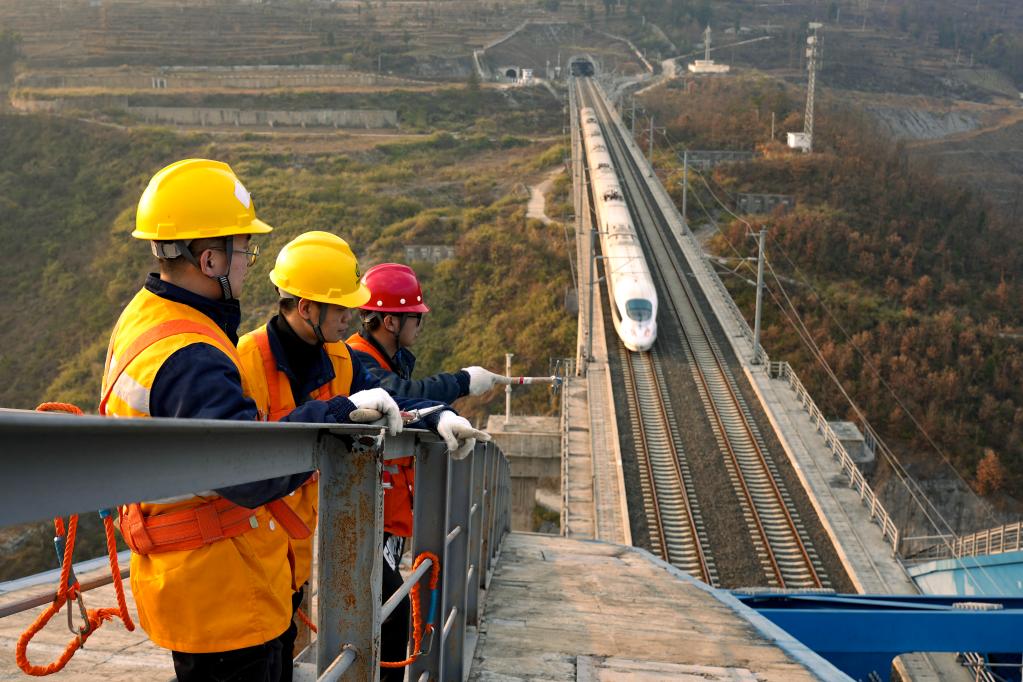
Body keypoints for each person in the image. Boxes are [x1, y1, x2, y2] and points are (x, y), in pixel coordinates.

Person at [100, 159, 407, 682]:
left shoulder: (149, 319)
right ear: (211, 257)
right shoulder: (192, 353)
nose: (248, 262)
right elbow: (248, 469)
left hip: (202, 580)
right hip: (224, 592)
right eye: (244, 250)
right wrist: (332, 415)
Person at [236, 232, 484, 677]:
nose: (352, 315)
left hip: (292, 554)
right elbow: (241, 461)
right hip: (248, 554)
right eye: (341, 306)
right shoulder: (248, 359)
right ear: (307, 308)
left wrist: (435, 417)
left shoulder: (339, 358)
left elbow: (388, 400)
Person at [346, 263, 503, 678]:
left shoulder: (389, 359)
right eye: (414, 315)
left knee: (391, 615)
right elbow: (403, 397)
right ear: (389, 320)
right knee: (390, 622)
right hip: (363, 513)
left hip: (382, 515)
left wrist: (441, 416)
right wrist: (461, 383)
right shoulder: (360, 360)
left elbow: (412, 404)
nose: (420, 322)